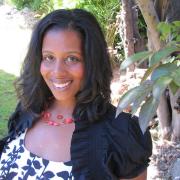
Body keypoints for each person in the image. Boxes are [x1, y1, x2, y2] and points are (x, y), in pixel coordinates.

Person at [0, 9, 152, 180]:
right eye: (49, 57)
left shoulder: (121, 135)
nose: (57, 72)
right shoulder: (28, 110)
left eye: (72, 58)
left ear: (92, 62)